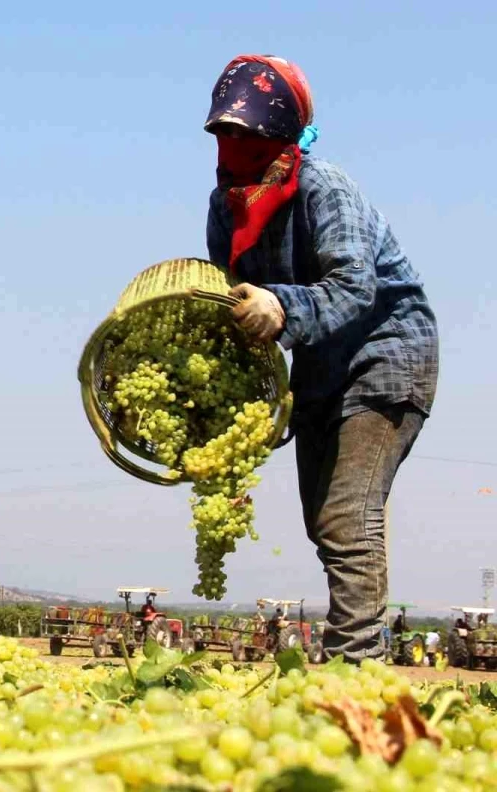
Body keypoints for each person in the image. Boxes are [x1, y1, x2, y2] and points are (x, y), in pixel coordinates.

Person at [203, 55, 439, 663]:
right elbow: (238, 311)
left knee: (345, 518)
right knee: (324, 524)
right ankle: (356, 660)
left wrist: (279, 307)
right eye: (226, 135)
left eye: (248, 137)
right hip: (319, 366)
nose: (236, 149)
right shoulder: (226, 207)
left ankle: (357, 670)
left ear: (282, 140)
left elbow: (355, 288)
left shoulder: (324, 188)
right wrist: (235, 428)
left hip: (384, 354)